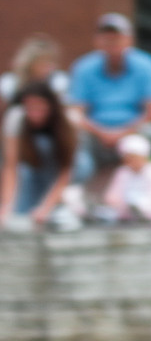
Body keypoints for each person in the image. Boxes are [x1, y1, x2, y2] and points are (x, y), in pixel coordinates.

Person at [65, 14, 151, 185]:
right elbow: (75, 112)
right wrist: (101, 132)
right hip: (95, 134)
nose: (112, 43)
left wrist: (124, 132)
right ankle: (75, 188)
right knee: (72, 135)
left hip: (134, 130)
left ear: (129, 40)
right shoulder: (83, 67)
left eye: (117, 38)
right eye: (106, 38)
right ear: (97, 41)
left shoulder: (147, 65)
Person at [4, 80, 86, 231]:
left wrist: (46, 208)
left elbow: (67, 169)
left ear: (51, 105)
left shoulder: (69, 119)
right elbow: (11, 166)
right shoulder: (16, 118)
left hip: (69, 171)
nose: (34, 113)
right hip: (34, 170)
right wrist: (5, 207)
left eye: (39, 107)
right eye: (30, 108)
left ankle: (65, 202)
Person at [102, 133, 151, 228]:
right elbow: (112, 195)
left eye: (135, 158)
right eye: (128, 159)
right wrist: (119, 204)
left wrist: (142, 205)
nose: (132, 162)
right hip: (126, 217)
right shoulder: (122, 172)